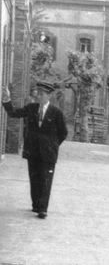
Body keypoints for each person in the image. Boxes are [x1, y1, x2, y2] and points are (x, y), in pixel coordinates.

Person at [2, 81, 68, 219]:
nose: (39, 97)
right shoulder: (32, 108)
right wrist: (7, 99)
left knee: (45, 180)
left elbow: (63, 133)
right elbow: (14, 113)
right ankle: (36, 205)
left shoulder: (56, 113)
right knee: (35, 178)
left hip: (48, 153)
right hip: (33, 151)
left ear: (49, 96)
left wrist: (52, 145)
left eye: (42, 94)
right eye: (38, 94)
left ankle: (43, 209)